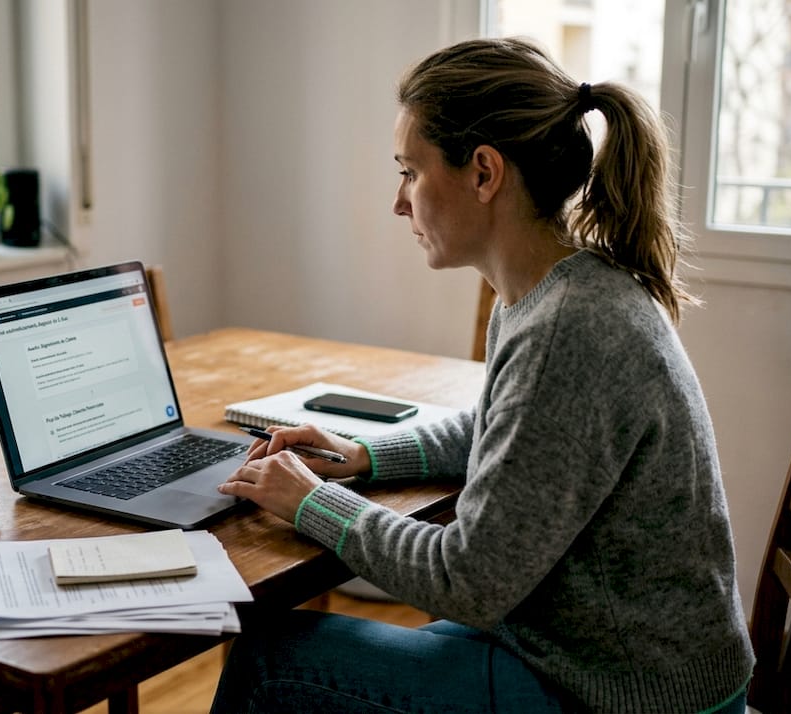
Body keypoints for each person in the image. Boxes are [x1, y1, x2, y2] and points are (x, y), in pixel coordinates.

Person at [211, 37, 754, 714]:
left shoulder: (569, 327)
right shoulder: (550, 290)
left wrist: (312, 501)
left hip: (623, 696)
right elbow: (503, 427)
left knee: (268, 657)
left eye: (410, 171)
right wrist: (365, 456)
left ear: (484, 173)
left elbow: (466, 580)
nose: (399, 202)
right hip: (602, 661)